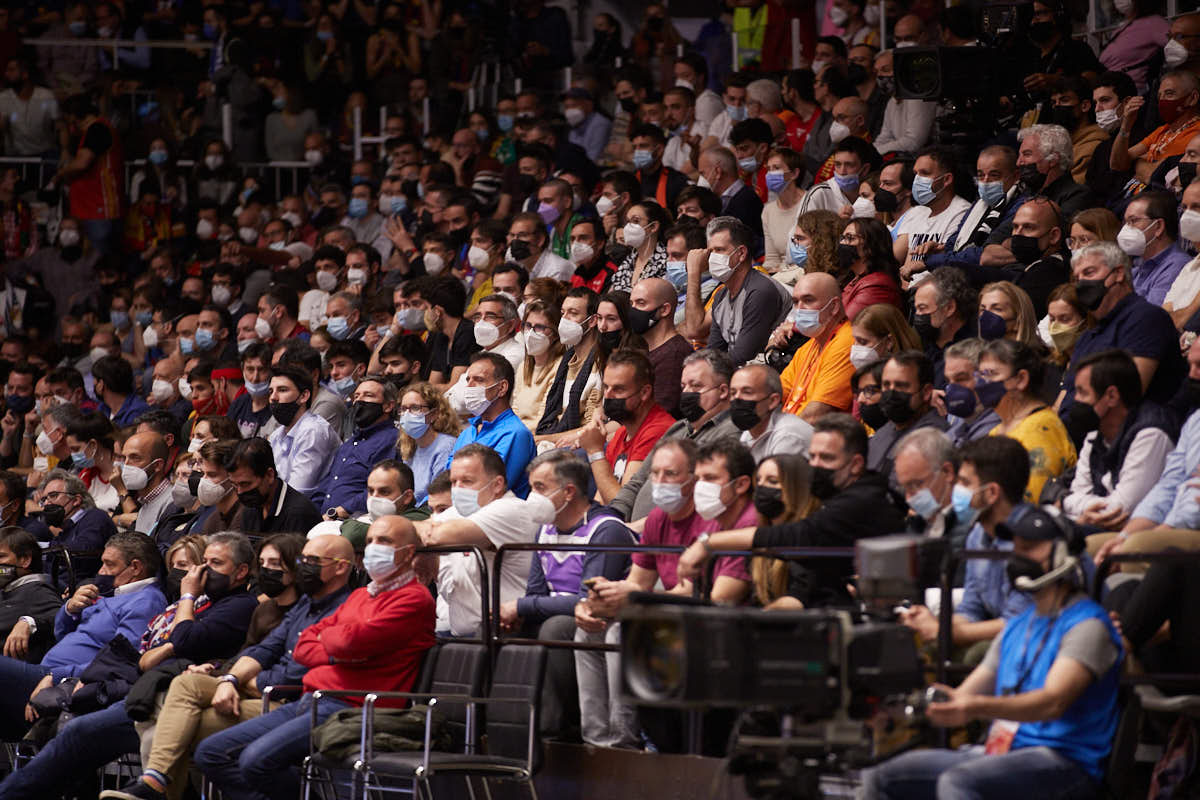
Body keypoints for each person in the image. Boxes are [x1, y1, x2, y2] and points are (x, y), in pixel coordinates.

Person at [863, 506, 1122, 800]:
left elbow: (1052, 703)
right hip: (1004, 753)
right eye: (1015, 548)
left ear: (1063, 555)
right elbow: (961, 697)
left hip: (1065, 761)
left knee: (960, 781)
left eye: (1029, 548)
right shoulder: (1017, 627)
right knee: (881, 776)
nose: (1017, 557)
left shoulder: (1088, 626)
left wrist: (974, 706)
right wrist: (897, 710)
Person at [0, 532, 260, 800]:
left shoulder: (236, 605)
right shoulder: (199, 603)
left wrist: (187, 598)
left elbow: (179, 641)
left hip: (158, 695)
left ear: (241, 571)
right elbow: (145, 656)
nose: (200, 571)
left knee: (78, 731)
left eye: (215, 563)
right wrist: (69, 611)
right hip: (132, 683)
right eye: (200, 563)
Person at [193, 517, 433, 800]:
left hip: (353, 708)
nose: (373, 548)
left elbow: (349, 641)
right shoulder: (359, 597)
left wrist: (336, 640)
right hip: (311, 699)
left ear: (408, 552)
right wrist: (338, 643)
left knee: (256, 761)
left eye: (384, 541)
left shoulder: (415, 599)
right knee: (210, 753)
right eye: (369, 542)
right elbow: (304, 647)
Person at [102, 534, 351, 800]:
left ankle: (154, 785)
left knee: (166, 732)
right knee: (186, 684)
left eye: (276, 563)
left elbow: (302, 669)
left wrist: (243, 680)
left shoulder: (343, 608)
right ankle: (154, 782)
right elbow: (261, 650)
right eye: (263, 562)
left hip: (288, 697)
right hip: (251, 685)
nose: (267, 570)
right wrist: (230, 677)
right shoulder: (294, 607)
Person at [576, 439, 752, 748]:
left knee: (623, 632)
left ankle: (625, 742)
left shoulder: (719, 517)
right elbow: (638, 582)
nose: (659, 482)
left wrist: (631, 599)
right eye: (654, 474)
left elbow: (709, 596)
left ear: (691, 478)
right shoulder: (658, 518)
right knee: (588, 630)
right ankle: (596, 741)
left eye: (669, 474)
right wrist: (599, 601)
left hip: (708, 621)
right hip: (669, 610)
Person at [678, 412, 905, 608]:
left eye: (826, 458)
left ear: (855, 464)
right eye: (812, 456)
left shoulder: (861, 500)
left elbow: (797, 537)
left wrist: (709, 543)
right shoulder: (845, 495)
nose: (814, 465)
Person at [501, 450, 635, 736]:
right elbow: (535, 591)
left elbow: (591, 601)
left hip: (601, 619)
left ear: (569, 491)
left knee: (554, 627)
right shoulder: (544, 530)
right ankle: (503, 727)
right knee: (497, 630)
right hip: (562, 613)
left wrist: (522, 606)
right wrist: (519, 612)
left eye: (540, 488)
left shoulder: (605, 530)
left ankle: (557, 731)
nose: (532, 497)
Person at [0, 532, 164, 740]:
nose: (101, 571)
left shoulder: (146, 602)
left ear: (136, 567)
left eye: (109, 565)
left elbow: (120, 663)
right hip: (47, 674)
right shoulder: (111, 594)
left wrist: (56, 675)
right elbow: (61, 635)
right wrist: (70, 610)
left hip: (62, 682)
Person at [418, 443, 538, 637]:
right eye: (454, 481)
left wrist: (426, 543)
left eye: (466, 481)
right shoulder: (460, 511)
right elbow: (418, 530)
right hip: (462, 635)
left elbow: (433, 535)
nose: (457, 489)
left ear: (497, 484)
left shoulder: (512, 509)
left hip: (508, 635)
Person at [1061, 242, 1185, 411]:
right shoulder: (1087, 336)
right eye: (1077, 278)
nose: (1082, 282)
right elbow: (1063, 398)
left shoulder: (1147, 319)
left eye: (1089, 272)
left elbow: (1126, 396)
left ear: (1118, 273)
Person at [1061, 349, 1176, 530]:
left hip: (1137, 538)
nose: (1075, 400)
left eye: (1082, 393)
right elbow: (1076, 494)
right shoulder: (1095, 431)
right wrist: (1070, 501)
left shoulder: (1151, 434)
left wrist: (1066, 501)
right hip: (1096, 528)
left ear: (1112, 396)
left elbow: (1118, 511)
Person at [979, 339, 1076, 503]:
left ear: (1021, 379)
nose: (981, 383)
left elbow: (1034, 499)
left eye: (990, 374)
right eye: (980, 375)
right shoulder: (997, 430)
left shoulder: (1041, 429)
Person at [581, 348, 675, 504]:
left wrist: (595, 451)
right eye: (606, 387)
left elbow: (622, 505)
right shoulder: (621, 433)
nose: (608, 396)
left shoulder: (659, 431)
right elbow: (601, 499)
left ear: (644, 392)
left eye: (618, 389)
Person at [692, 216, 791, 365]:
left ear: (741, 253)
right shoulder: (720, 296)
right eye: (710, 252)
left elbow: (743, 356)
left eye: (719, 250)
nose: (712, 258)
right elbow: (713, 352)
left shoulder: (760, 291)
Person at [444, 351, 536, 497]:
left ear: (502, 388)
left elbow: (490, 490)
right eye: (468, 380)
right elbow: (447, 478)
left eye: (479, 380)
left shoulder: (515, 433)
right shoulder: (468, 432)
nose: (469, 386)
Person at [309, 376, 399, 518]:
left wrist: (339, 512)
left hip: (355, 520)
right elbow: (327, 484)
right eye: (356, 396)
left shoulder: (391, 439)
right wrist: (310, 513)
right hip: (325, 519)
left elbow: (380, 489)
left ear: (388, 406)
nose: (359, 401)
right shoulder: (349, 443)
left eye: (368, 395)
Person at [778, 272, 856, 419]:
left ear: (833, 307)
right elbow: (776, 394)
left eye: (808, 300)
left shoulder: (847, 342)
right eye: (795, 302)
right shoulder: (810, 345)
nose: (800, 308)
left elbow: (816, 414)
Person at [868, 351, 950, 483]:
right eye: (886, 385)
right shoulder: (885, 430)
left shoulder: (933, 438)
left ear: (926, 392)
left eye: (901, 386)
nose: (891, 393)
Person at [891, 428, 972, 549]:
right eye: (905, 488)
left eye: (915, 485)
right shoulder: (915, 526)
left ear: (947, 472)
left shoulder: (971, 530)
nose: (908, 499)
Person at [265, 365, 340, 496]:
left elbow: (298, 492)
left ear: (304, 396)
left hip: (312, 510)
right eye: (271, 391)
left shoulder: (313, 430)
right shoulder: (276, 435)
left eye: (282, 390)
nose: (273, 398)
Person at [228, 438, 323, 535]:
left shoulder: (299, 515)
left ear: (269, 475)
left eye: (245, 484)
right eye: (234, 485)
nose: (239, 491)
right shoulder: (252, 507)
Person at [0, 526, 63, 664]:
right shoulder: (9, 589)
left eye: (1, 556)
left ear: (25, 560)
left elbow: (62, 618)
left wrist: (29, 623)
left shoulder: (37, 589)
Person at [1118, 190, 1191, 306]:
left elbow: (1147, 317)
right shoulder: (1137, 268)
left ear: (1158, 227)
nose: (1126, 229)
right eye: (1125, 223)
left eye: (1133, 221)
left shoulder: (1177, 266)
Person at [630, 277, 692, 416]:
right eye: (631, 304)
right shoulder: (648, 351)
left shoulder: (674, 355)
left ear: (664, 309)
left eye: (641, 303)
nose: (633, 311)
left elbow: (659, 414)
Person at [731, 363, 814, 461]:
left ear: (773, 401)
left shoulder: (788, 436)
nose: (737, 398)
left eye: (747, 392)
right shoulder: (749, 432)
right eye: (733, 393)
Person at [396, 382, 459, 507]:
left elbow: (440, 492)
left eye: (415, 408)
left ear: (433, 414)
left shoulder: (446, 445)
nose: (407, 414)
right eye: (403, 409)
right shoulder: (410, 446)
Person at [913, 267, 979, 387]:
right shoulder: (926, 347)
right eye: (916, 309)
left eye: (922, 308)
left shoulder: (973, 352)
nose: (917, 315)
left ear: (949, 308)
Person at [838, 217, 902, 320]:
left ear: (871, 246)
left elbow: (847, 323)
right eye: (843, 238)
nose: (842, 243)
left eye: (850, 238)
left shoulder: (878, 285)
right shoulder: (852, 278)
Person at [944, 338, 1002, 447]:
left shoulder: (997, 428)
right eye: (948, 381)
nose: (952, 388)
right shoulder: (963, 418)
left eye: (961, 379)